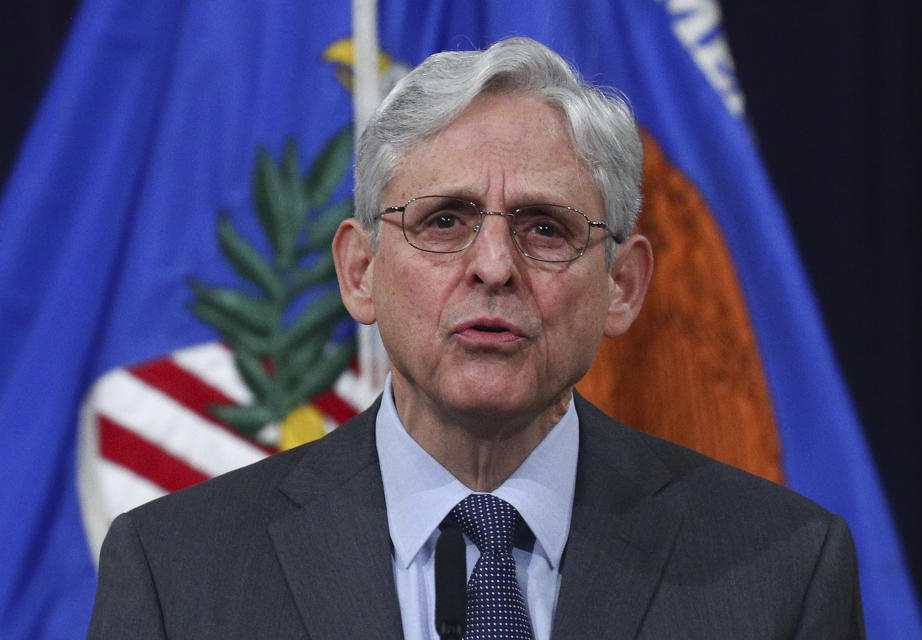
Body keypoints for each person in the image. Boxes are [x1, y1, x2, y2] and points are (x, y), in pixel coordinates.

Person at [88, 37, 864, 639]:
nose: (495, 265)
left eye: (545, 227)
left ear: (622, 286)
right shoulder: (177, 572)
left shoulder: (781, 569)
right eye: (444, 220)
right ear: (360, 271)